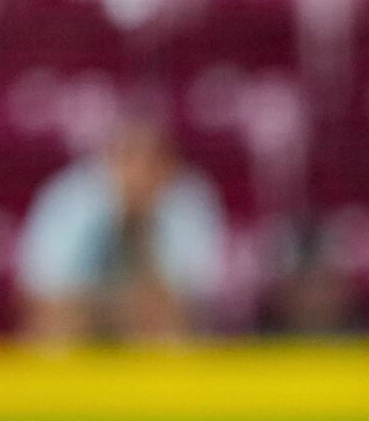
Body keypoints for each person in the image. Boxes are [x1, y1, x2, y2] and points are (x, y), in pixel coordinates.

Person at [17, 116, 226, 342]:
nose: (140, 172)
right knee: (59, 320)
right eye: (129, 158)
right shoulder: (68, 197)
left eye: (152, 161)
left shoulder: (191, 201)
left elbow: (196, 293)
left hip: (151, 309)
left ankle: (170, 378)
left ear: (170, 165)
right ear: (108, 158)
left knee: (163, 315)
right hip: (84, 305)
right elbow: (44, 289)